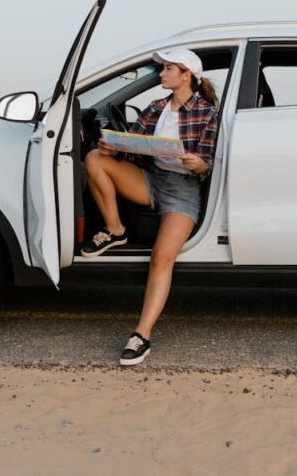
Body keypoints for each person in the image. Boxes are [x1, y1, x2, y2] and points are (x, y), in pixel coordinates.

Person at [82, 48, 219, 365]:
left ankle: (141, 335)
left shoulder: (206, 112)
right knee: (94, 159)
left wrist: (197, 163)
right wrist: (113, 146)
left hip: (183, 191)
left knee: (161, 258)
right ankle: (115, 230)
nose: (161, 73)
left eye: (168, 68)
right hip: (151, 179)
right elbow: (133, 143)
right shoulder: (156, 107)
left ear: (186, 76)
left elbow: (207, 165)